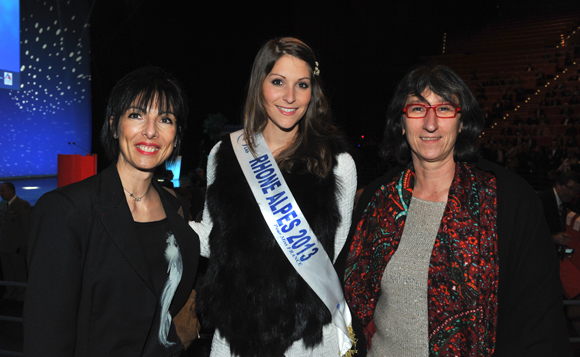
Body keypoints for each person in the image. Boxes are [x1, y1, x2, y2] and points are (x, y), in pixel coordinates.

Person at [341, 65, 571, 356]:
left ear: (462, 122)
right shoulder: (377, 200)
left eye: (445, 108)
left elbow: (540, 323)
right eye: (417, 108)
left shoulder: (510, 202)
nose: (431, 123)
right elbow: (348, 306)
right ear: (401, 121)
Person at [191, 37, 357, 356]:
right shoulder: (225, 155)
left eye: (302, 84)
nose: (290, 97)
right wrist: (161, 217)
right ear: (259, 85)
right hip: (235, 336)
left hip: (309, 340)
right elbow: (212, 240)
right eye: (278, 81)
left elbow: (327, 259)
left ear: (313, 91)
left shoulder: (337, 165)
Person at [24, 67, 200, 356]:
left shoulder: (176, 209)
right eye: (136, 115)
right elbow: (46, 336)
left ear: (176, 135)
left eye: (165, 119)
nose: (151, 131)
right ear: (114, 124)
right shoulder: (67, 211)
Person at [0, 182, 31, 303]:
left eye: (3, 191)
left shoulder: (22, 205)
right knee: (8, 272)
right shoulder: (3, 205)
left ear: (11, 191)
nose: (1, 193)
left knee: (19, 272)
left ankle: (21, 294)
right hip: (5, 246)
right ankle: (11, 292)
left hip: (17, 246)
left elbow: (26, 226)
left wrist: (24, 245)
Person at [539, 171, 580, 250]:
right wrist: (552, 238)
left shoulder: (563, 201)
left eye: (576, 191)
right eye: (569, 188)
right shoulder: (541, 201)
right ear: (558, 184)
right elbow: (530, 230)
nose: (572, 193)